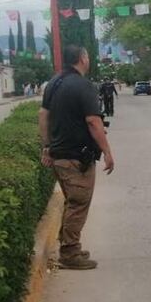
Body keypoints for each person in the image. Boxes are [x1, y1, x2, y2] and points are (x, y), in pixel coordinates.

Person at [39, 45, 116, 270]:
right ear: (83, 58)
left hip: (59, 157)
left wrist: (47, 147)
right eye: (88, 56)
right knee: (79, 203)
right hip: (77, 158)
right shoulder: (84, 86)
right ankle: (70, 253)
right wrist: (108, 152)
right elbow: (93, 121)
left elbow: (43, 115)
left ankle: (70, 245)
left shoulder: (53, 83)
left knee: (72, 202)